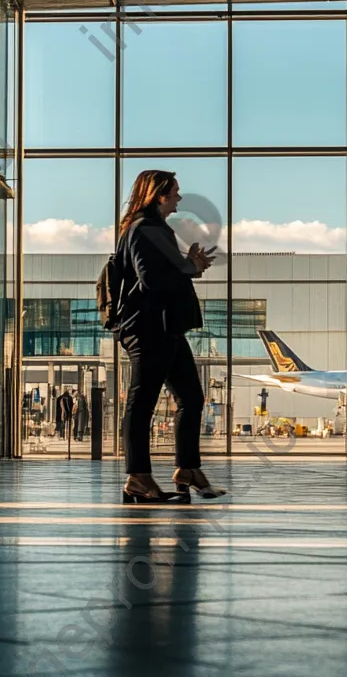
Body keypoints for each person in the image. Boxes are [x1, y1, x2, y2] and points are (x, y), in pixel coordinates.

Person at [117, 169, 227, 504]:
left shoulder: (154, 229)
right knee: (142, 403)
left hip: (165, 329)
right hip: (150, 329)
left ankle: (188, 469)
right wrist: (189, 267)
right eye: (175, 191)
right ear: (158, 194)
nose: (179, 197)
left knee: (192, 399)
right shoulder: (143, 229)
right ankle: (138, 477)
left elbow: (161, 273)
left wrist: (189, 265)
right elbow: (151, 279)